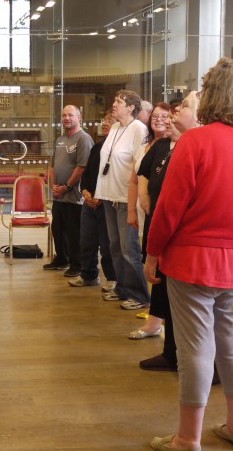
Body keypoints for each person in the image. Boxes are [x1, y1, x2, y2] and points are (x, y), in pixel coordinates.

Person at [145, 58, 233, 451]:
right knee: (232, 345)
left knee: (195, 350)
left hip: (192, 261)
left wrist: (152, 254)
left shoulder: (196, 142)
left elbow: (169, 207)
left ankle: (187, 438)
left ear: (210, 97)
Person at [135, 95, 199, 364]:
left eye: (183, 107)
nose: (173, 115)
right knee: (168, 291)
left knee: (193, 311)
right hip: (167, 230)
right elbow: (144, 175)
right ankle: (171, 352)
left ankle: (185, 361)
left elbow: (175, 203)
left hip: (187, 238)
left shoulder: (193, 147)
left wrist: (154, 252)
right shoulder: (169, 146)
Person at [96, 90, 150, 310]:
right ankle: (122, 289)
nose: (114, 104)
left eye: (119, 102)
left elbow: (139, 164)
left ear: (131, 108)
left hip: (125, 195)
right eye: (115, 100)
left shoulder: (138, 128)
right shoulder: (116, 128)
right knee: (115, 247)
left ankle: (139, 295)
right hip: (109, 194)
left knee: (129, 249)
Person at [130, 101, 171, 338]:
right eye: (155, 115)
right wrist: (143, 198)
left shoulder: (184, 144)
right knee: (154, 267)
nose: (160, 120)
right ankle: (154, 322)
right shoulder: (159, 145)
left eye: (165, 116)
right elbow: (140, 173)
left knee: (165, 270)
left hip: (168, 217)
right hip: (152, 213)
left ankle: (164, 322)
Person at [68, 113, 117, 289]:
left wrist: (100, 196)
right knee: (86, 241)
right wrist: (86, 192)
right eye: (104, 120)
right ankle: (88, 275)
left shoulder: (117, 150)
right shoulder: (97, 148)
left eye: (110, 121)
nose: (105, 124)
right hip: (90, 202)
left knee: (106, 244)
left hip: (106, 202)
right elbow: (87, 174)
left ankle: (112, 278)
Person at [45, 105, 93, 277]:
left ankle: (77, 264)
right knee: (58, 229)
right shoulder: (60, 139)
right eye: (64, 115)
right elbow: (52, 165)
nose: (66, 118)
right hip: (59, 195)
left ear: (79, 117)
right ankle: (62, 259)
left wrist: (67, 186)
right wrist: (53, 186)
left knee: (74, 232)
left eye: (71, 115)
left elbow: (82, 167)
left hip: (74, 196)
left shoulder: (84, 139)